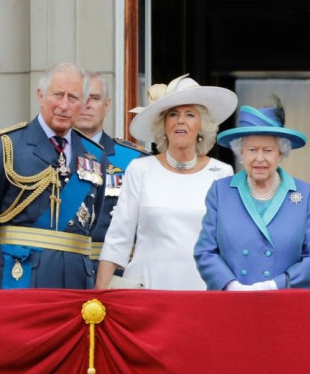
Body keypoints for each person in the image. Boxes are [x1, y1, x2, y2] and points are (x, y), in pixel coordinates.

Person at [0, 62, 106, 289]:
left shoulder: (94, 156)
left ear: (83, 104)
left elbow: (95, 224)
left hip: (76, 283)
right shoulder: (7, 146)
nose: (64, 105)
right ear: (40, 96)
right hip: (19, 277)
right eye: (58, 95)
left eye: (73, 98)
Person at [94, 74, 237, 290]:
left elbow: (229, 243)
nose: (181, 120)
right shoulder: (140, 169)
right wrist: (99, 295)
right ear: (164, 125)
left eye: (190, 114)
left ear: (201, 126)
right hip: (147, 289)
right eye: (173, 114)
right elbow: (118, 237)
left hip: (201, 291)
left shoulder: (221, 173)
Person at [194, 97, 310, 290]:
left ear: (281, 154)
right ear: (241, 153)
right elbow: (205, 251)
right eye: (252, 149)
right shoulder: (220, 192)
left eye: (268, 150)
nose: (259, 158)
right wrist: (231, 286)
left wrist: (275, 285)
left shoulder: (306, 196)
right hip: (231, 303)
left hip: (283, 302)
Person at [74, 71, 149, 273]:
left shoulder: (135, 160)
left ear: (106, 106)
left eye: (95, 98)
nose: (87, 104)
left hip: (118, 271)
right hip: (64, 269)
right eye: (80, 97)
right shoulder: (51, 154)